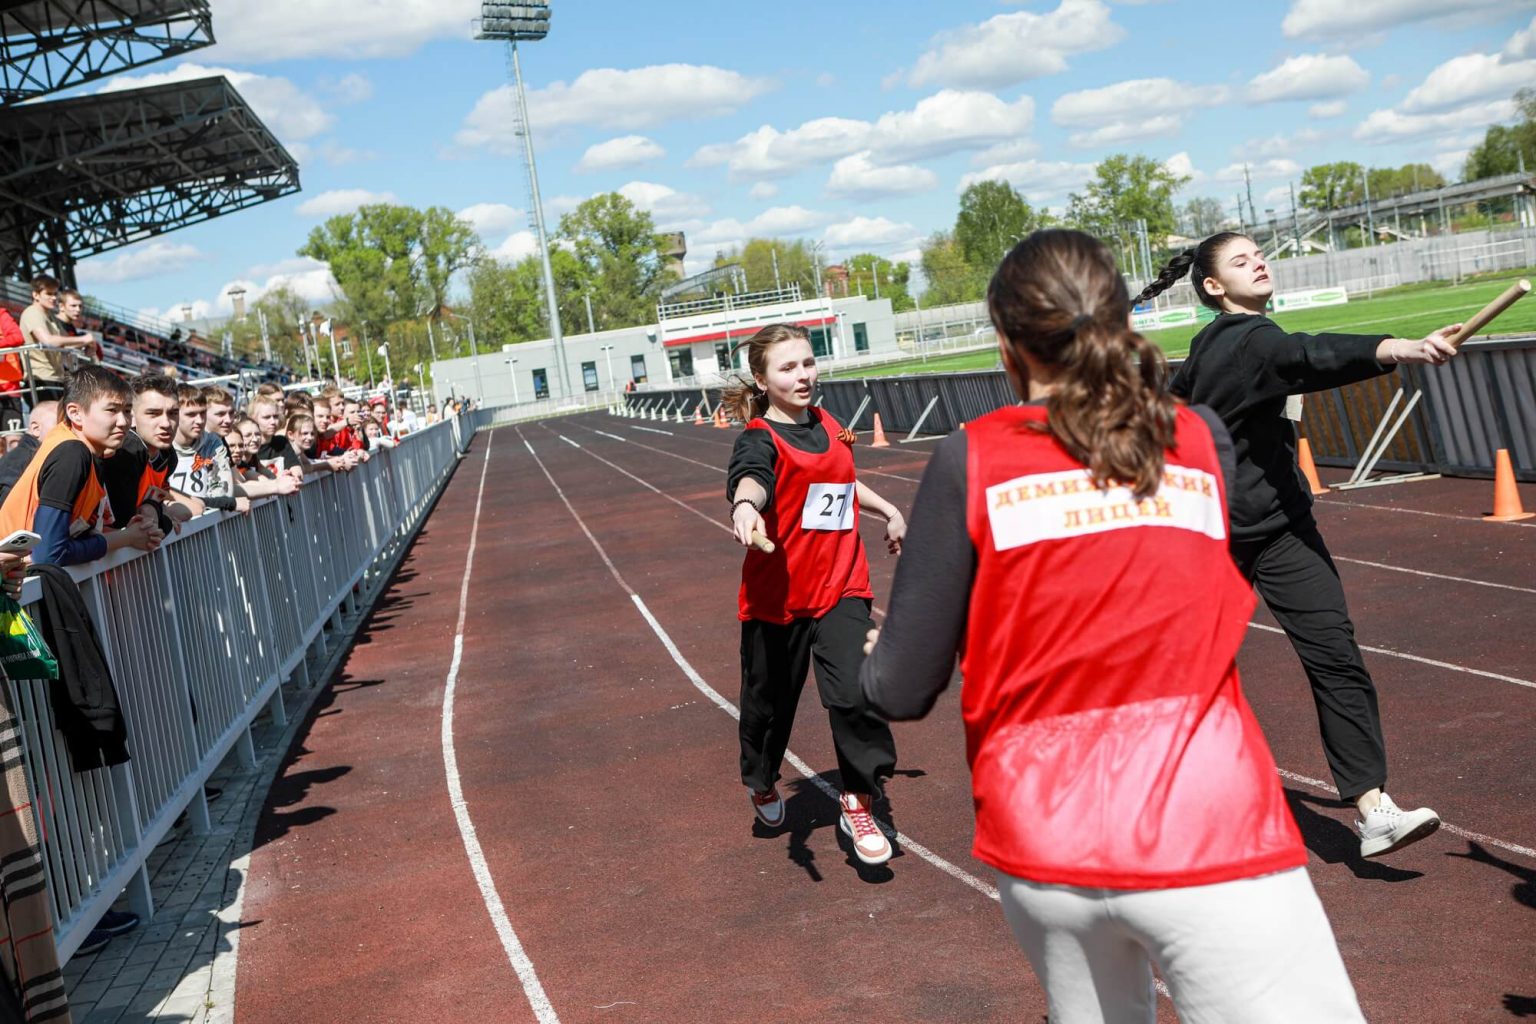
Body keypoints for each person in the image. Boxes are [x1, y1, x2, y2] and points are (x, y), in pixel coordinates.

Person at [861, 229, 1363, 1023]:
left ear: (1007, 344)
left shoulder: (971, 458)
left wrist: (877, 657)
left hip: (1043, 841)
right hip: (1209, 825)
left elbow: (899, 688)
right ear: (1119, 324)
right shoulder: (1199, 437)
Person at [1138, 232, 1455, 859]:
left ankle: (1372, 808)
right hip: (1214, 539)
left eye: (1258, 253)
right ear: (1212, 287)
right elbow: (1310, 356)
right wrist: (1399, 349)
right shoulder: (1244, 340)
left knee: (1335, 656)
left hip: (1281, 529)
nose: (1258, 261)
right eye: (1239, 260)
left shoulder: (1219, 345)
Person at [724, 323, 906, 867]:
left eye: (807, 362)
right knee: (767, 710)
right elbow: (751, 478)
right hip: (778, 600)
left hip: (842, 587)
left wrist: (890, 509)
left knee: (856, 694)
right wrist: (745, 509)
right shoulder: (759, 437)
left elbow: (842, 480)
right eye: (787, 367)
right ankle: (761, 782)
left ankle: (858, 800)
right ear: (762, 379)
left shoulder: (827, 422)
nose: (803, 375)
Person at [0, 365, 160, 565]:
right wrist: (125, 538)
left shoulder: (85, 450)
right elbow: (48, 554)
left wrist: (128, 532)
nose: (123, 421)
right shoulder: (72, 453)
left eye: (127, 411)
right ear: (75, 413)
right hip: (19, 587)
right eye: (112, 410)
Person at [167, 385, 246, 516]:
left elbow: (222, 494)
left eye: (202, 413)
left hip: (204, 526)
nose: (199, 420)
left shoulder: (213, 443)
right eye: (191, 414)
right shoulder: (160, 444)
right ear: (175, 415)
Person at [16, 275, 92, 404]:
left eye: (55, 294)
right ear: (36, 294)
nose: (54, 298)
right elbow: (48, 341)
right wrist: (84, 339)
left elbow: (63, 342)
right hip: (40, 377)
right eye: (49, 294)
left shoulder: (50, 315)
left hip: (55, 376)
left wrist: (86, 346)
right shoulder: (32, 312)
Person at [0, 400, 57, 505]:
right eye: (59, 424)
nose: (67, 430)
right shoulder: (21, 461)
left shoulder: (32, 456)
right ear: (36, 428)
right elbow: (9, 507)